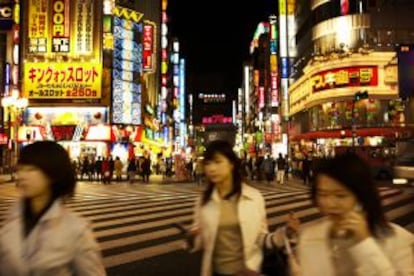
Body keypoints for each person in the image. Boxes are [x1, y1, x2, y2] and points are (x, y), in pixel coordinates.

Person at [187, 140, 298, 276]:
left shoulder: (253, 198)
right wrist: (193, 237)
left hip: (248, 272)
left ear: (231, 164)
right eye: (208, 163)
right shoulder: (204, 201)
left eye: (217, 162)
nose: (211, 168)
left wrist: (285, 233)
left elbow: (261, 238)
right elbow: (201, 242)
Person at [296, 153, 414, 276]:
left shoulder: (397, 239)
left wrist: (364, 242)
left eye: (340, 195)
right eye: (323, 194)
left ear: (361, 197)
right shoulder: (310, 237)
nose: (330, 204)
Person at [0, 141, 106, 275]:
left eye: (32, 169)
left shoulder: (76, 229)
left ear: (52, 174)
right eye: (21, 168)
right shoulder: (12, 219)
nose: (22, 176)